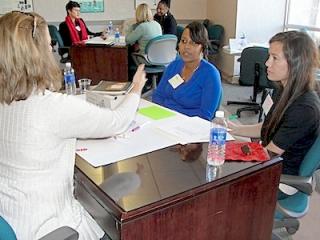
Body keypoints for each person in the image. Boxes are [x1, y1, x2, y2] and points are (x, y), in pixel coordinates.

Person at [0, 11, 146, 240]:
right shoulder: (52, 107)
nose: (53, 51)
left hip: (11, 217)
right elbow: (117, 122)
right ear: (36, 54)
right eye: (49, 45)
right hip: (49, 226)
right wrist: (136, 88)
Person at [228, 31, 320, 176]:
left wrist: (230, 152)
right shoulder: (284, 89)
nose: (267, 63)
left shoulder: (304, 107)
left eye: (274, 58)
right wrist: (233, 129)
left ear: (296, 63)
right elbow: (268, 126)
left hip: (281, 176)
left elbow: (269, 155)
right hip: (269, 159)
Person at [152, 21, 222, 121]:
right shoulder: (173, 66)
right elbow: (158, 96)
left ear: (202, 47)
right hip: (164, 120)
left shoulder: (210, 74)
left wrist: (173, 114)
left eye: (193, 43)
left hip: (190, 128)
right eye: (183, 41)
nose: (186, 47)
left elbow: (205, 115)